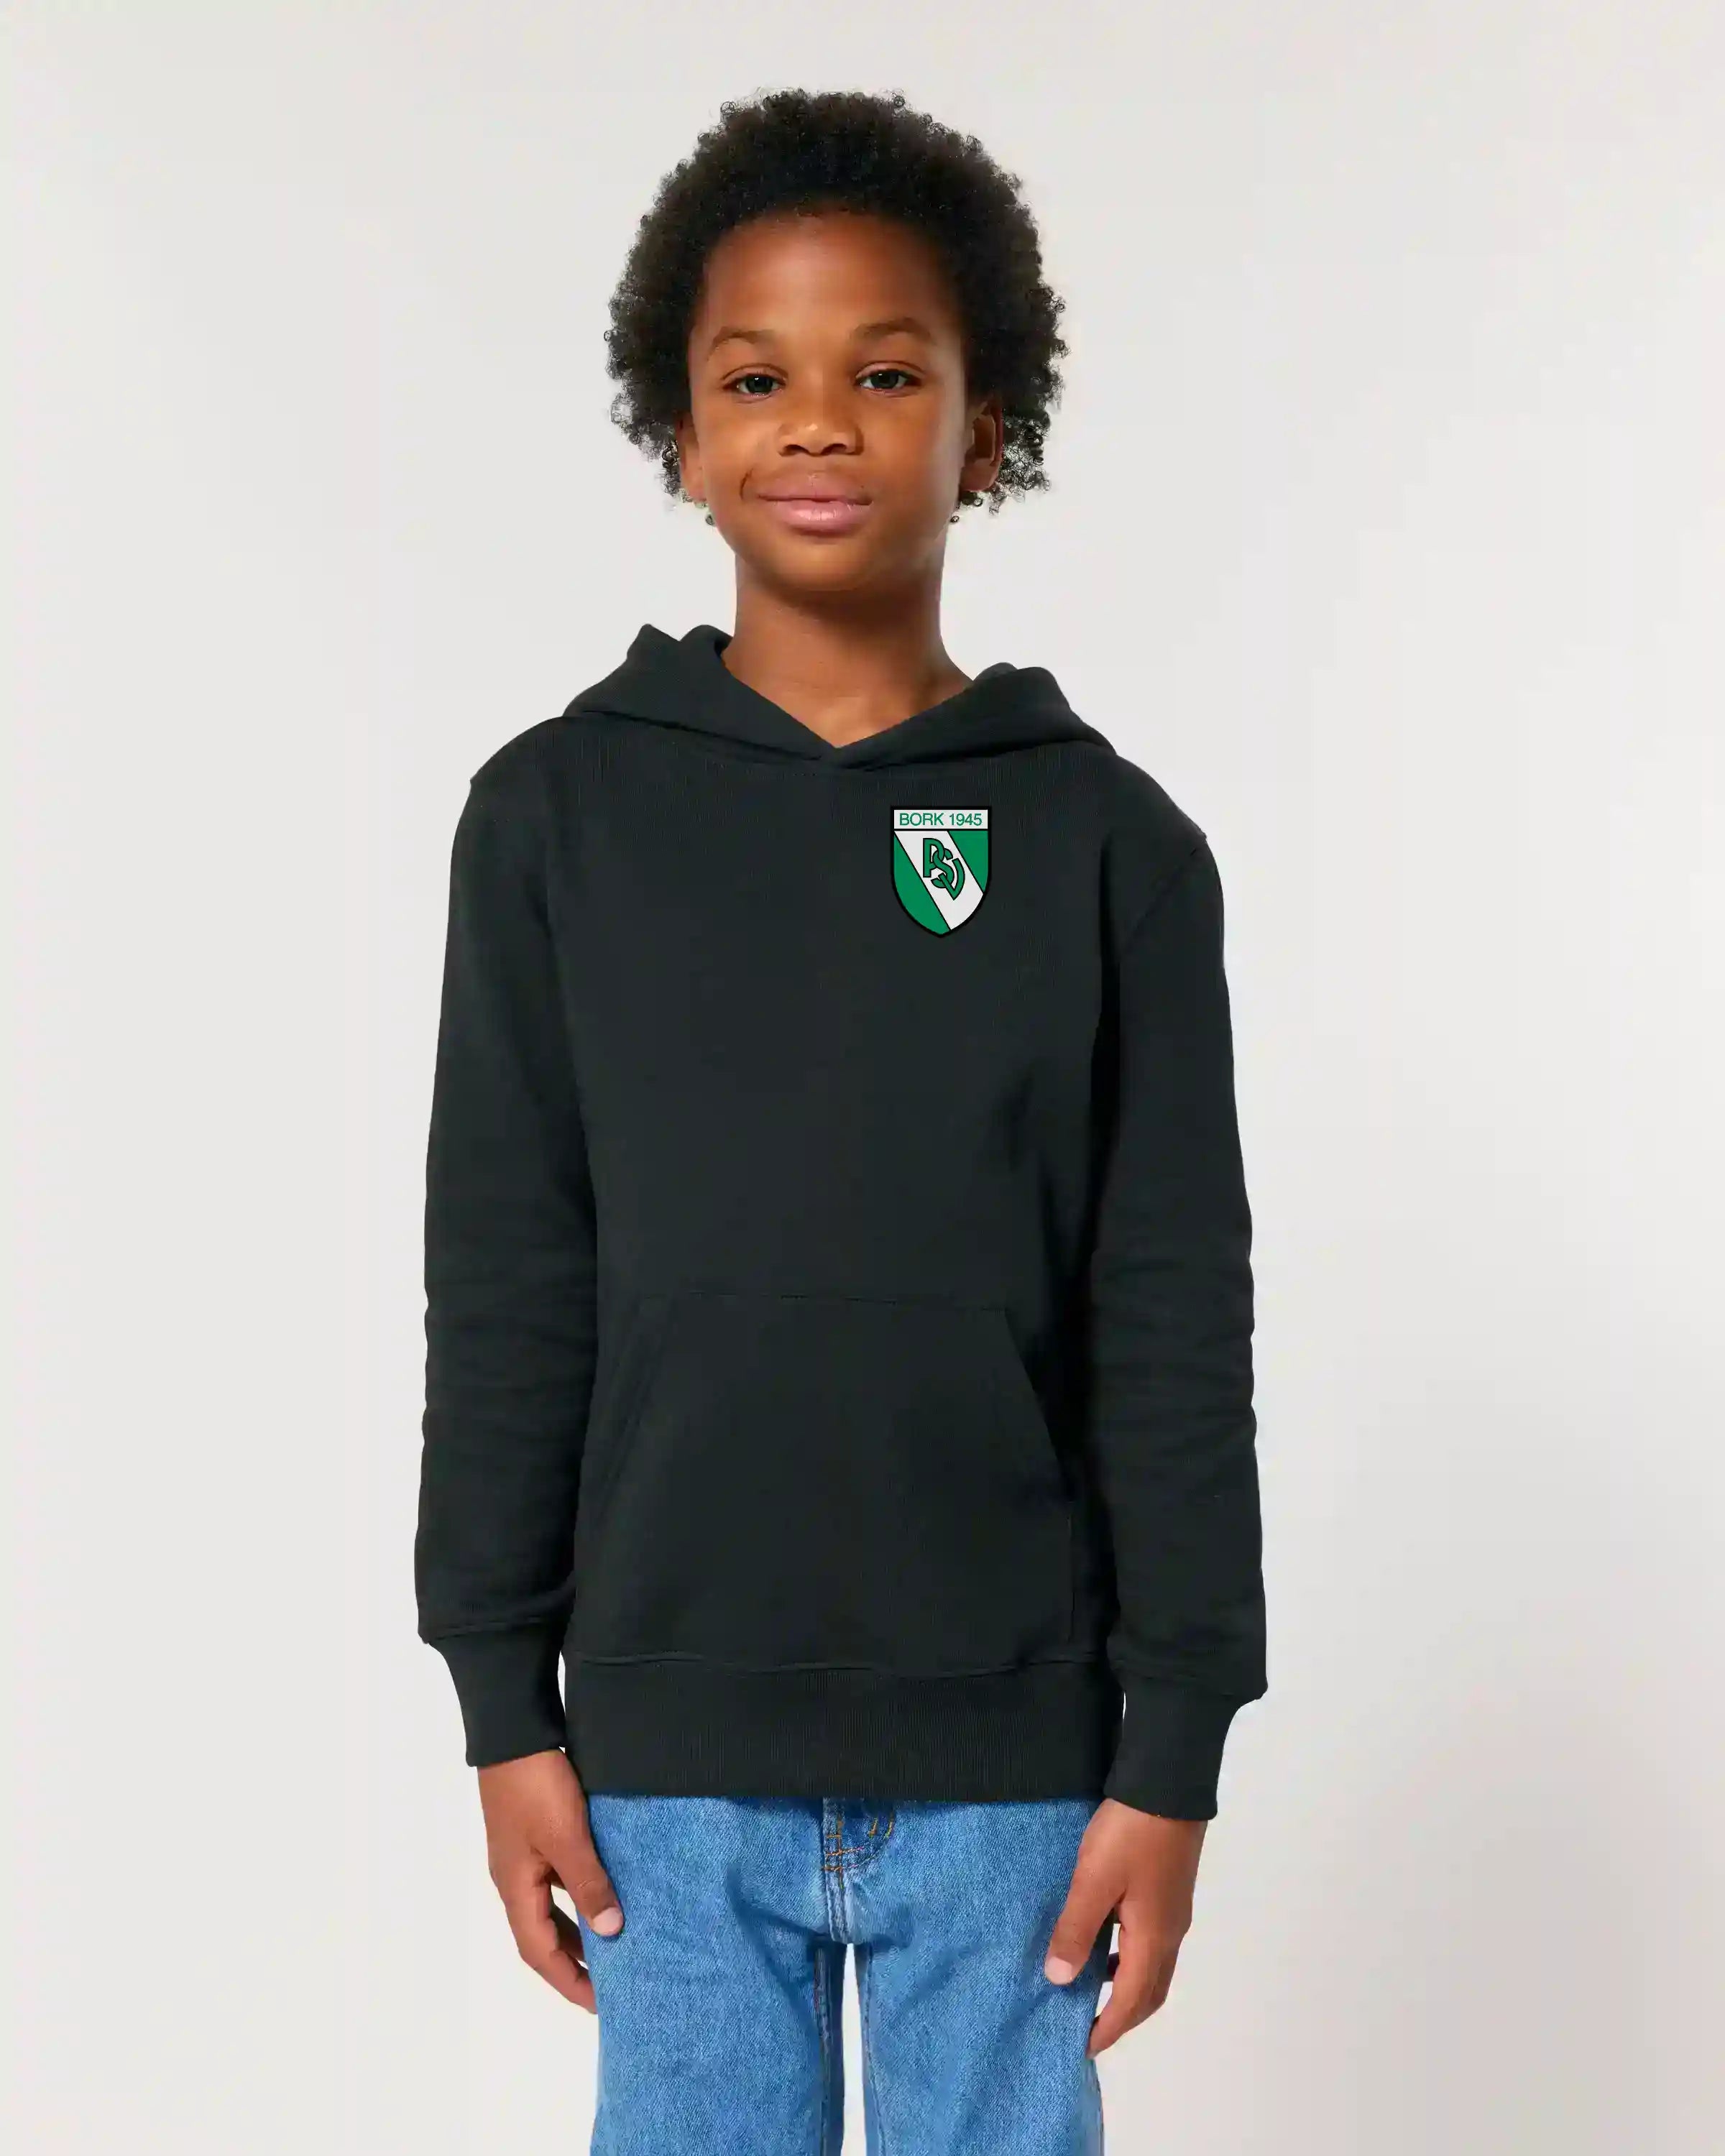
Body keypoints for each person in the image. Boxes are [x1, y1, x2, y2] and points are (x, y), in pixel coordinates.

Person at [415, 86, 1267, 2155]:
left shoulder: (1110, 848)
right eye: (756, 379)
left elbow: (1171, 1318)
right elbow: (510, 1279)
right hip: (663, 1769)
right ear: (681, 435)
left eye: (885, 374)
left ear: (985, 431)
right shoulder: (553, 819)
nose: (818, 423)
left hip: (1021, 1777)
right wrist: (500, 1706)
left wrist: (1172, 1751)